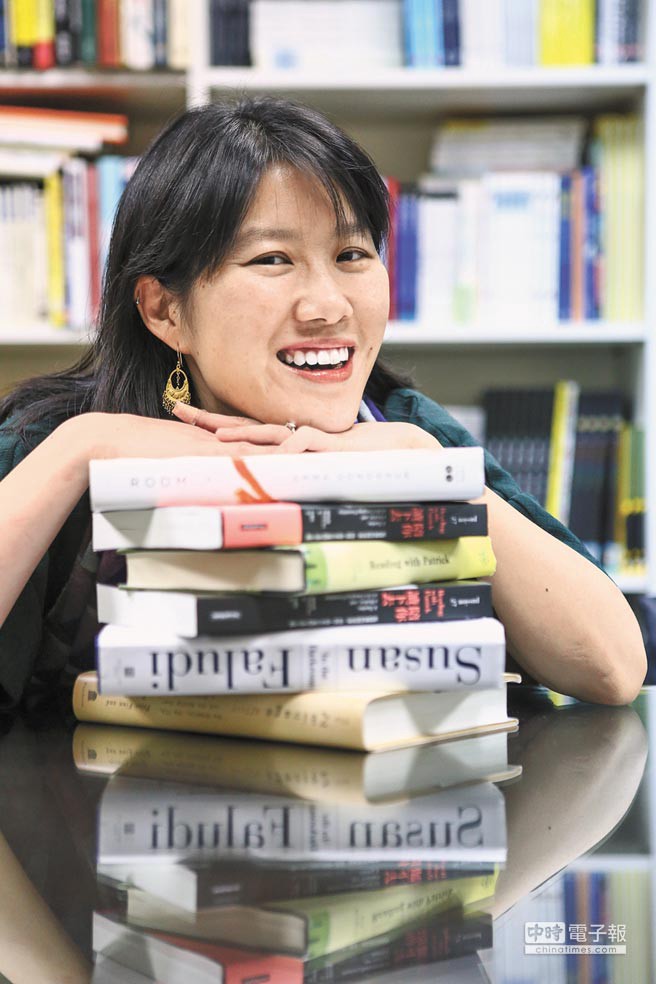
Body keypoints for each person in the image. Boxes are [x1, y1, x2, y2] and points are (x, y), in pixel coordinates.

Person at [0, 96, 646, 711]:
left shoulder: (406, 427)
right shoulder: (53, 438)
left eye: (352, 254)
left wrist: (432, 473)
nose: (328, 306)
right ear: (165, 310)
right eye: (272, 259)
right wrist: (81, 449)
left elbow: (614, 670)